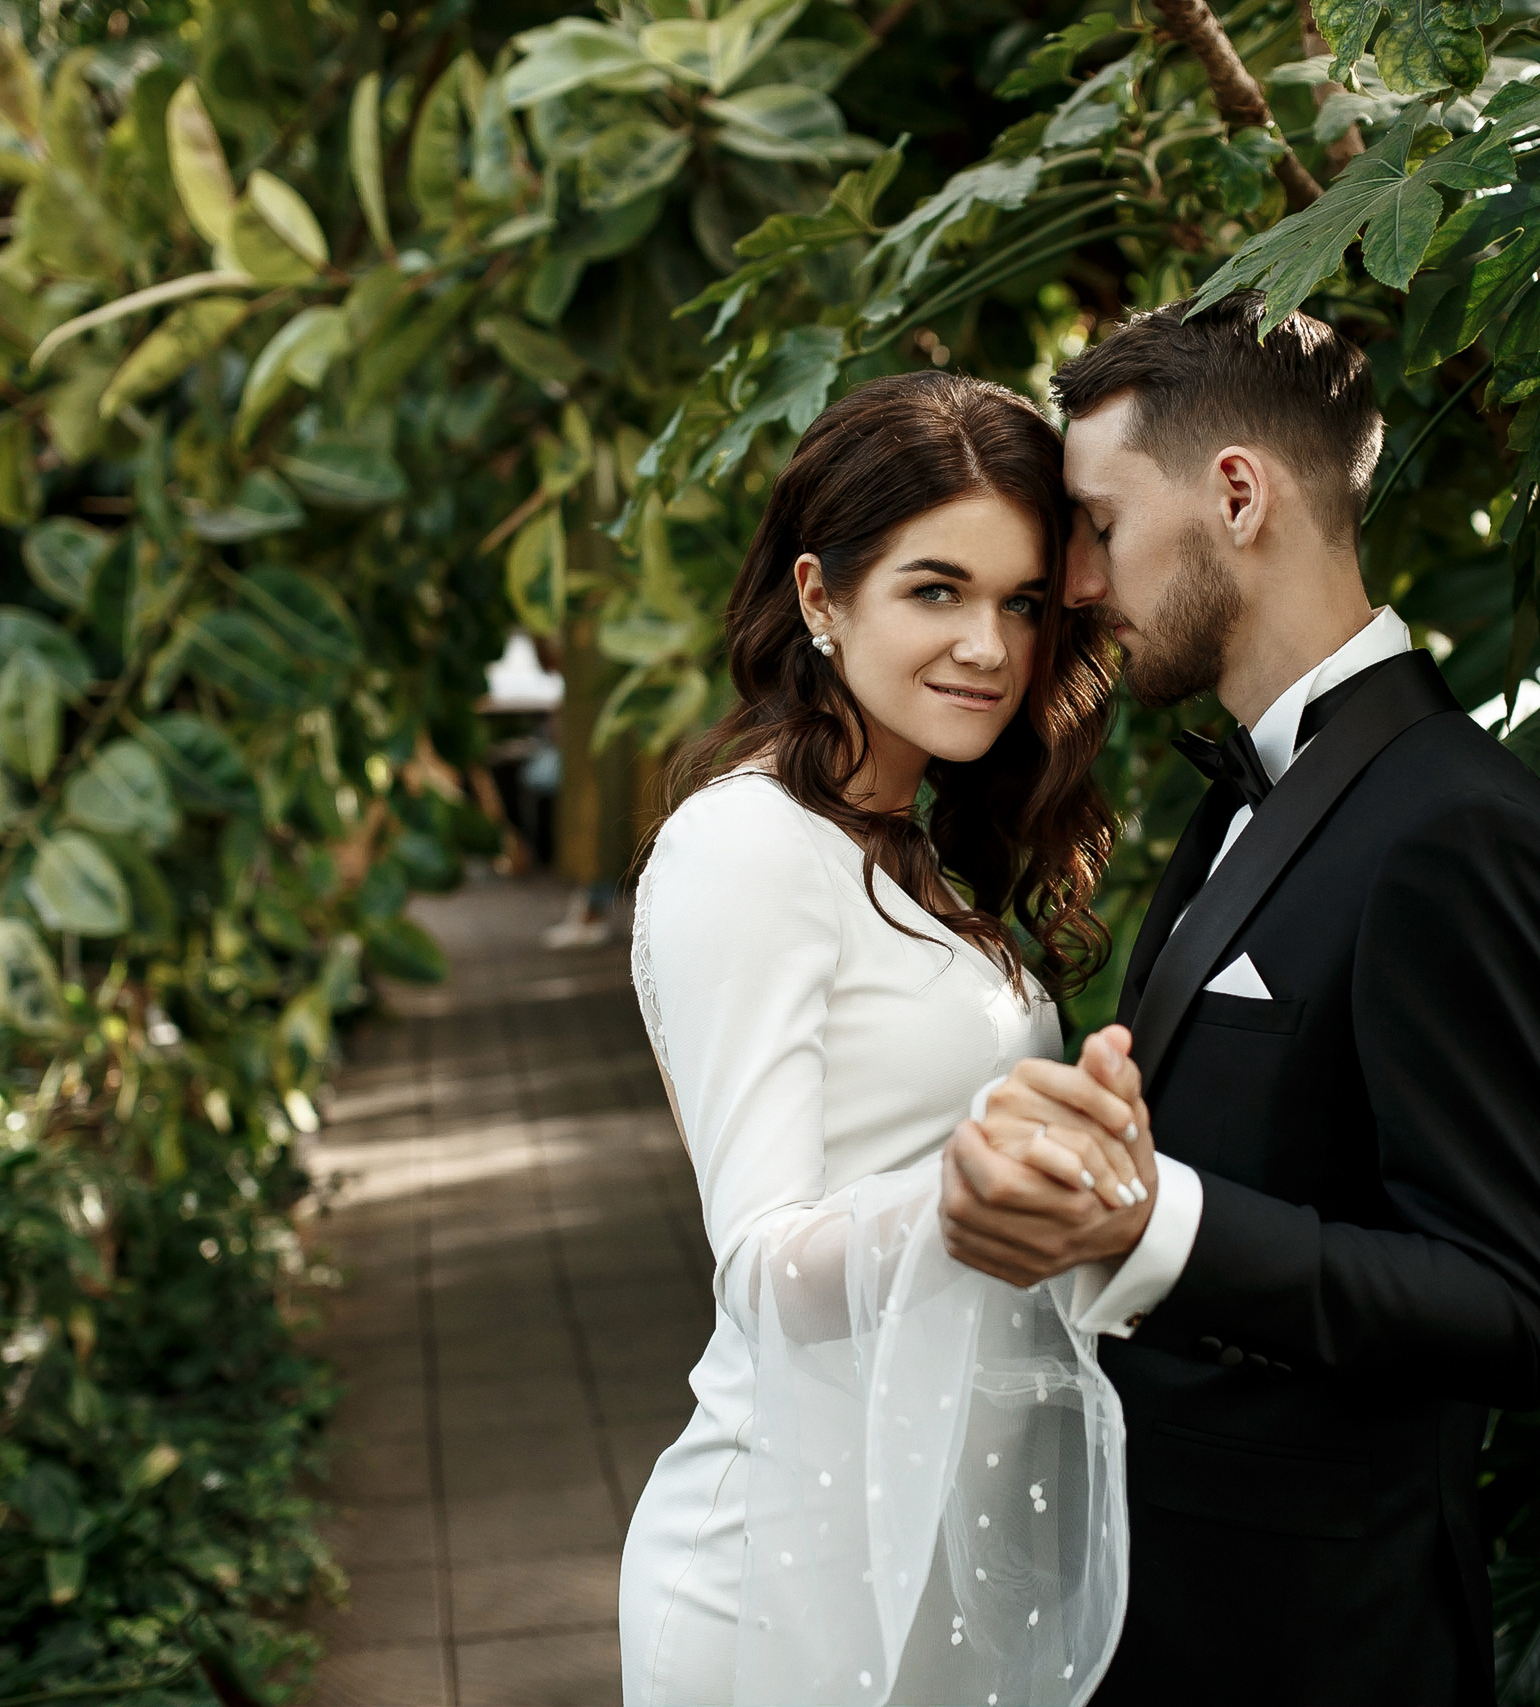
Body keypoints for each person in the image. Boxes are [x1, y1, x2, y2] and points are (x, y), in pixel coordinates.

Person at [939, 294, 1540, 1706]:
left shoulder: (1453, 826)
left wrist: (1157, 1224)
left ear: (1237, 494)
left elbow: (1516, 1307)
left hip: (1331, 1636)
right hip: (1180, 1606)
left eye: (1101, 525)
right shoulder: (1260, 783)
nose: (1073, 582)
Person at [622, 371, 1156, 1706]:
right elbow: (763, 1261)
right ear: (820, 596)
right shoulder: (744, 848)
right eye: (937, 590)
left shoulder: (929, 850)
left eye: (1021, 603)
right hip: (785, 1572)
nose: (990, 645)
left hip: (942, 1547)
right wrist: (985, 1186)